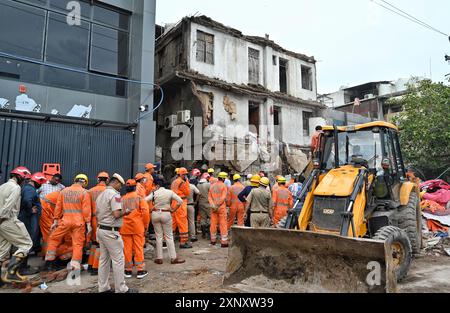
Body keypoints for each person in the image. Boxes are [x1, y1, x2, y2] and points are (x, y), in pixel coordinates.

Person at [96, 174, 137, 294]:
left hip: (101, 229)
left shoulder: (101, 195)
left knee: (103, 260)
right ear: (116, 183)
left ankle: (103, 288)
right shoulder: (115, 195)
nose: (121, 187)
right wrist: (126, 212)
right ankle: (121, 289)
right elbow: (116, 214)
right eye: (120, 185)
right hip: (111, 232)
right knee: (118, 260)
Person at [44, 174, 91, 271]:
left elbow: (58, 207)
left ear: (75, 180)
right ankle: (75, 269)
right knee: (78, 244)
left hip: (65, 221)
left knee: (53, 239)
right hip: (79, 223)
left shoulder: (63, 191)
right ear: (84, 183)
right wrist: (88, 224)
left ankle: (49, 264)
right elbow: (86, 210)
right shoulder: (84, 193)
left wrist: (56, 221)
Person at [0, 167, 34, 284]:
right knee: (26, 244)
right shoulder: (16, 187)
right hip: (7, 220)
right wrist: (2, 218)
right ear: (20, 176)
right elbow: (8, 207)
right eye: (24, 179)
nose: (24, 182)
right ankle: (11, 273)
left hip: (1, 223)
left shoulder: (2, 186)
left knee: (2, 250)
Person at [147, 178, 185, 265]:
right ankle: (173, 258)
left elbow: (144, 200)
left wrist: (150, 209)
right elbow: (180, 201)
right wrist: (173, 210)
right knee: (169, 236)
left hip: (155, 214)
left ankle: (159, 258)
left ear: (157, 185)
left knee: (158, 236)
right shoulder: (169, 192)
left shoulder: (153, 193)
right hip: (166, 214)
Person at [121, 180, 150, 279]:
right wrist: (145, 226)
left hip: (124, 227)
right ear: (135, 187)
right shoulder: (139, 198)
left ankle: (128, 270)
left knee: (127, 249)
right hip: (137, 227)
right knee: (138, 247)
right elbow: (145, 213)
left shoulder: (122, 199)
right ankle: (140, 270)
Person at [18, 172, 46, 268]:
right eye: (40, 183)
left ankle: (23, 266)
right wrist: (30, 210)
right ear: (37, 181)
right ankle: (22, 267)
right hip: (28, 220)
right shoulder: (30, 189)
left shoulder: (28, 188)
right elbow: (26, 200)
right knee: (26, 242)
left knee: (26, 242)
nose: (41, 185)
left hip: (28, 219)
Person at [87, 172, 109, 276]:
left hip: (92, 219)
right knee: (101, 244)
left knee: (94, 243)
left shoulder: (90, 191)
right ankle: (96, 267)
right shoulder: (108, 191)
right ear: (107, 180)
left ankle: (91, 265)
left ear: (98, 179)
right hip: (102, 220)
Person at [170, 167, 192, 249]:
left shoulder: (174, 182)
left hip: (173, 202)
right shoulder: (182, 182)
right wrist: (187, 182)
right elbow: (187, 192)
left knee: (173, 222)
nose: (186, 176)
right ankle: (183, 242)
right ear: (183, 174)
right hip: (180, 203)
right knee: (183, 222)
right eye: (185, 174)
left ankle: (167, 241)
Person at [208, 172, 229, 247]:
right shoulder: (223, 186)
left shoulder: (212, 185)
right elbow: (223, 197)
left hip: (213, 208)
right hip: (221, 207)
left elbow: (209, 197)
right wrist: (217, 205)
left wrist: (213, 205)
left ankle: (213, 240)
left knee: (213, 224)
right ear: (223, 178)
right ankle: (224, 242)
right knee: (223, 224)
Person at [197, 174, 211, 238]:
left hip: (201, 203)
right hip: (208, 203)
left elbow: (198, 194)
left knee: (203, 219)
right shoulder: (208, 184)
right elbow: (211, 192)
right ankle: (209, 233)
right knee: (211, 218)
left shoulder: (198, 185)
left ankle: (203, 234)